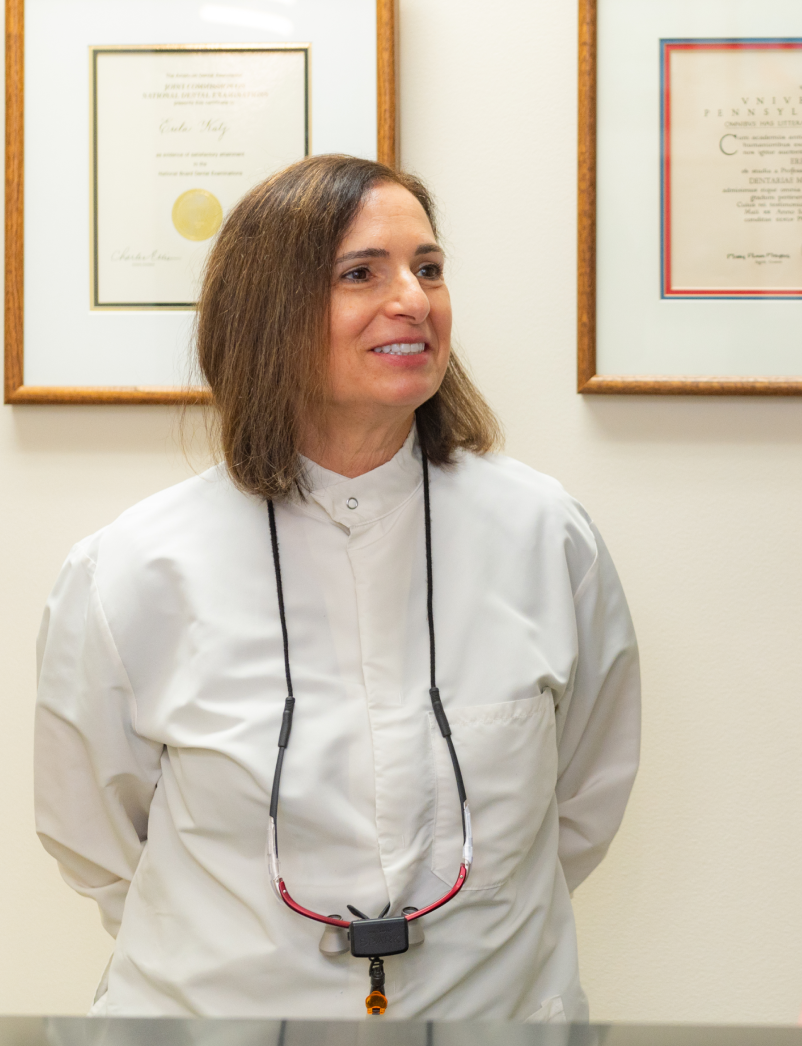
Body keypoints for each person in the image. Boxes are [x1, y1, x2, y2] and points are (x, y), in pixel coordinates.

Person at [34, 155, 641, 1021]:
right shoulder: (134, 566)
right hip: (211, 1022)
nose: (414, 299)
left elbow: (583, 798)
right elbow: (93, 835)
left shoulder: (545, 535)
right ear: (267, 314)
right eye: (361, 273)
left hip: (490, 1015)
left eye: (427, 268)